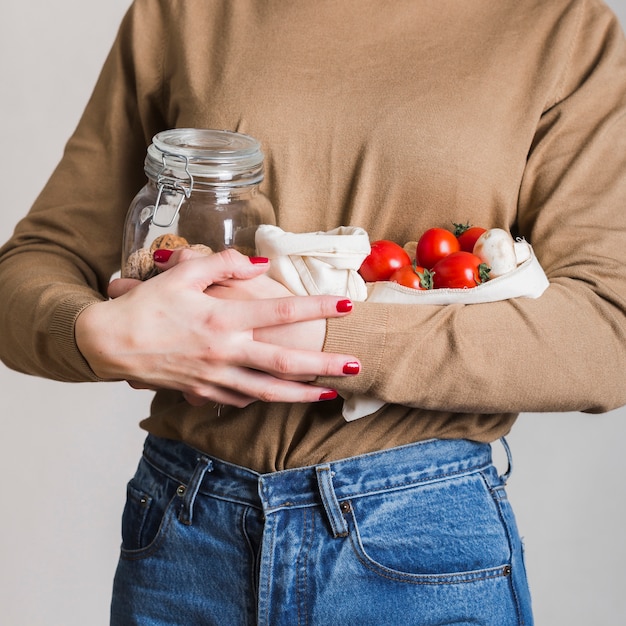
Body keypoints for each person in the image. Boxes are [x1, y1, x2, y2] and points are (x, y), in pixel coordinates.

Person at [2, 0, 626, 624]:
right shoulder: (182, 12)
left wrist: (317, 333)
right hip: (186, 532)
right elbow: (33, 265)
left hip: (418, 542)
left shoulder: (561, 28)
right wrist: (94, 332)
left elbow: (607, 327)